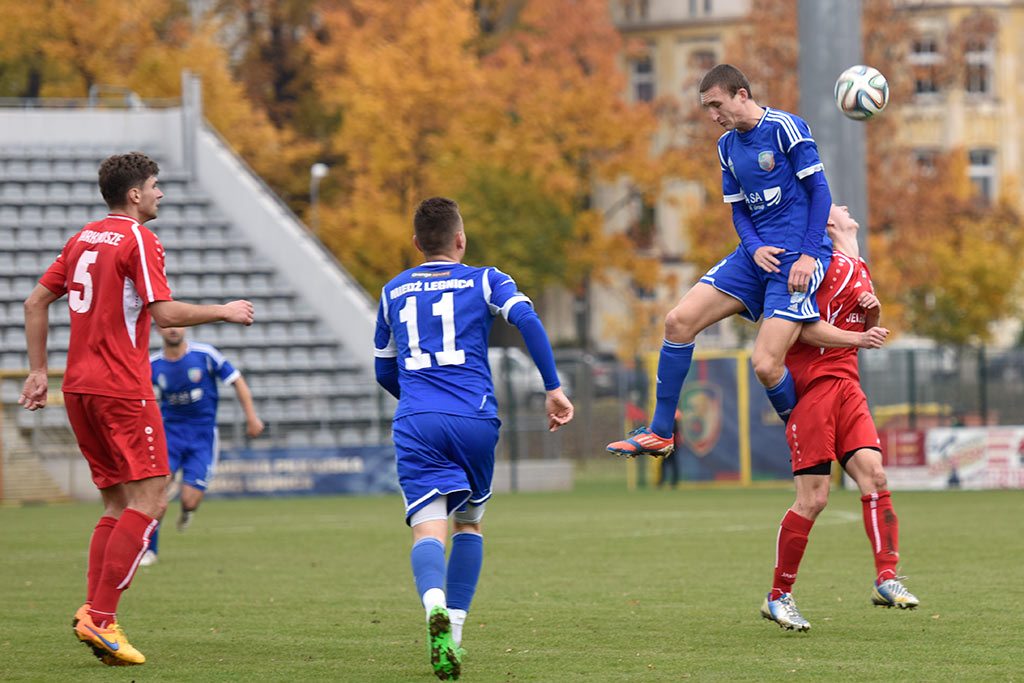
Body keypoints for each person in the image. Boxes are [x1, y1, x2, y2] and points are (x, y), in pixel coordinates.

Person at [19, 152, 255, 666]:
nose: (160, 194)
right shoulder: (138, 239)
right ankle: (101, 619)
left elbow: (34, 303)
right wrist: (224, 310)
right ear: (134, 194)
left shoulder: (83, 238)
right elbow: (164, 312)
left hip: (78, 389)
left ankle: (95, 613)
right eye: (155, 186)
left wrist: (39, 372)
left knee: (114, 504)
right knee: (150, 501)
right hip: (123, 389)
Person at [373, 197, 574, 680]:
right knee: (469, 525)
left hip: (417, 420)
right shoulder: (485, 278)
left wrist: (420, 400)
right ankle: (455, 630)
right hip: (474, 419)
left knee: (428, 528)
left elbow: (383, 368)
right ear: (460, 239)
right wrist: (553, 388)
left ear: (417, 244)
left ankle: (434, 605)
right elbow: (528, 320)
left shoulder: (393, 289)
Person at [608, 63, 835, 457]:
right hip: (754, 257)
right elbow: (739, 212)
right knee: (677, 321)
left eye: (716, 105)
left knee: (765, 366)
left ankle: (806, 437)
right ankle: (661, 431)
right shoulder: (726, 146)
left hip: (797, 258)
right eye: (707, 108)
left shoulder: (786, 128)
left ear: (741, 95)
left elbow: (821, 194)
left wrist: (809, 256)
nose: (713, 116)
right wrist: (754, 247)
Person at [760, 204, 919, 633]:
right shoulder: (815, 262)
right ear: (828, 224)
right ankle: (778, 596)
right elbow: (801, 329)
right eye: (837, 205)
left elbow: (863, 328)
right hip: (814, 392)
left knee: (876, 476)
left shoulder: (856, 260)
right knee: (813, 499)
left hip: (848, 386)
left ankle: (887, 578)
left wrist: (873, 315)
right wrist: (860, 335)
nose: (844, 206)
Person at [140, 326, 265, 566]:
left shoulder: (205, 355)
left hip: (202, 437)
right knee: (156, 490)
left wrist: (251, 417)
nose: (173, 329)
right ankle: (149, 550)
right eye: (167, 325)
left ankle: (187, 511)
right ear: (157, 330)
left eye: (177, 324)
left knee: (190, 500)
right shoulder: (152, 364)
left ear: (185, 327)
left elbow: (237, 380)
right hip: (169, 436)